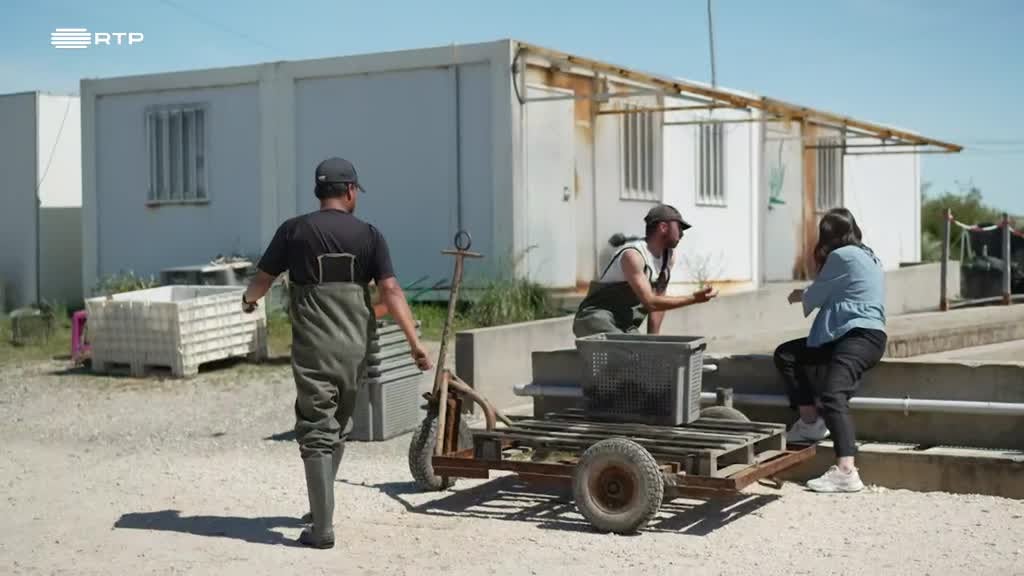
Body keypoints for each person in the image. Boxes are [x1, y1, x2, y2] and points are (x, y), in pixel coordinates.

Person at [241, 157, 432, 548]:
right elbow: (391, 292)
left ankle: (322, 528)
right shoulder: (370, 235)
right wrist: (415, 343)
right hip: (356, 348)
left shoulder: (294, 231)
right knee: (339, 426)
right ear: (350, 191)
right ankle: (320, 507)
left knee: (316, 429)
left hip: (314, 347)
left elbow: (263, 278)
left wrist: (248, 301)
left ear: (320, 191)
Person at [774, 208, 887, 493]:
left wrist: (798, 295)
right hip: (856, 335)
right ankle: (810, 421)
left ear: (828, 237)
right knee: (788, 354)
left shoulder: (842, 255)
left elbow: (817, 293)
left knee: (834, 394)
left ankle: (846, 470)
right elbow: (834, 292)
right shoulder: (869, 255)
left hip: (858, 336)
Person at [573, 204, 718, 338]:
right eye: (679, 228)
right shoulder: (633, 255)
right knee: (630, 351)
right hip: (596, 318)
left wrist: (653, 342)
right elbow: (650, 302)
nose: (682, 234)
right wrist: (693, 299)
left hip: (623, 323)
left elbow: (658, 302)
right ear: (663, 227)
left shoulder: (668, 257)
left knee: (643, 353)